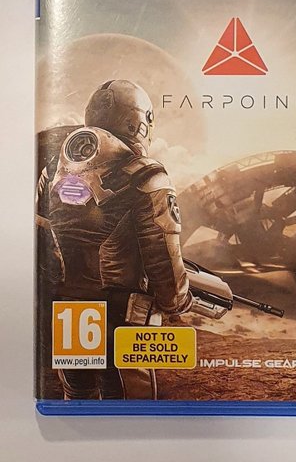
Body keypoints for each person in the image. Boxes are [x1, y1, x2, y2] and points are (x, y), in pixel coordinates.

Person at [36, 79, 191, 399]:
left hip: (67, 309)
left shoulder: (54, 168)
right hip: (123, 313)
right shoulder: (147, 174)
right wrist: (177, 301)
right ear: (138, 122)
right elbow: (162, 257)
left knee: (76, 399)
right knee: (129, 403)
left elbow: (40, 234)